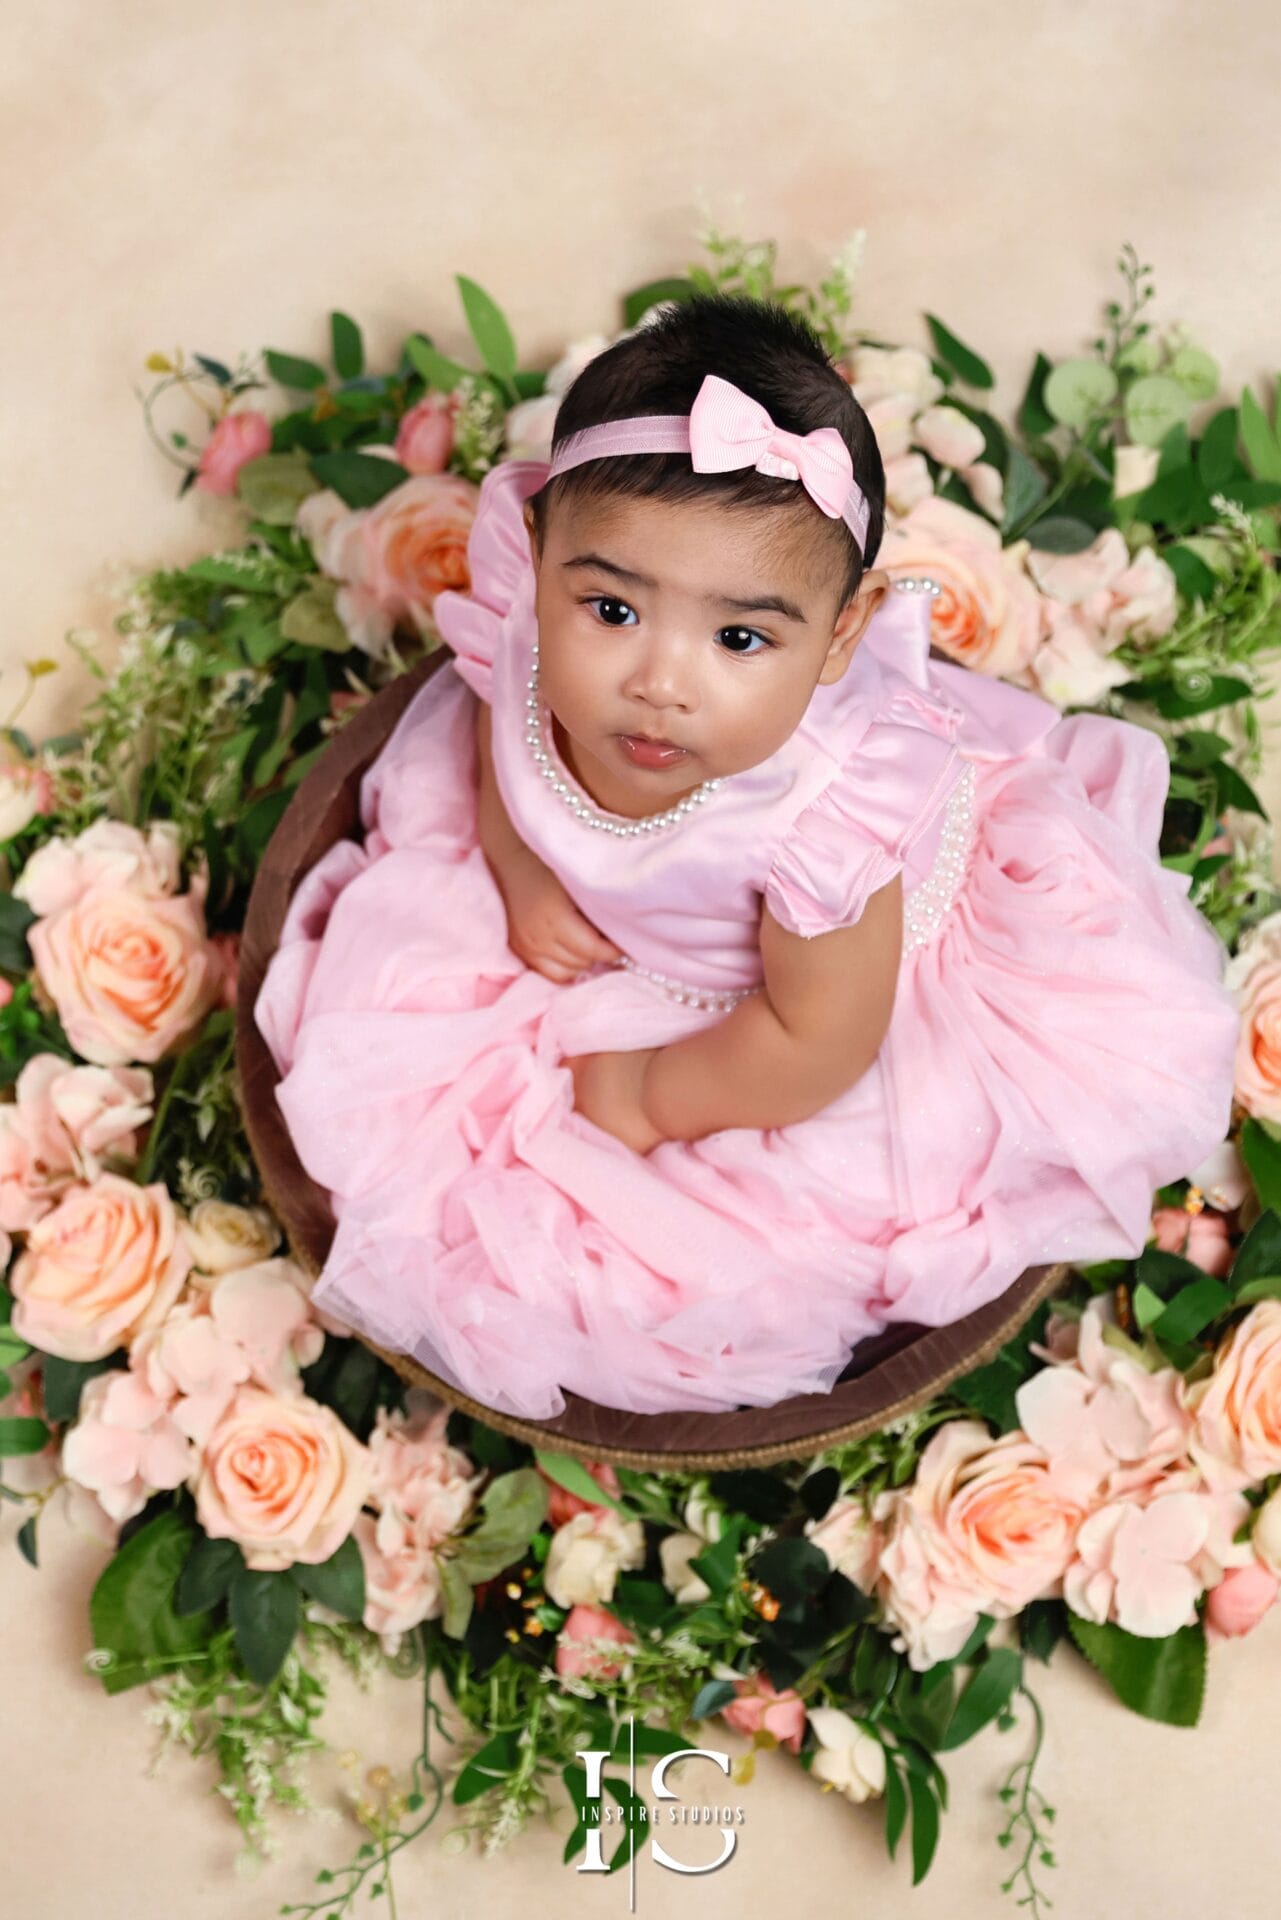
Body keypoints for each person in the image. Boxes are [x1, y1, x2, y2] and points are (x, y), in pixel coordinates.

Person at [253, 292, 1240, 1422]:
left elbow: (820, 1044)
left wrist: (648, 1095)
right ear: (538, 553)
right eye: (613, 608)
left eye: (738, 638)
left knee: (767, 1228)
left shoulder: (822, 819)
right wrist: (520, 868)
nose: (659, 682)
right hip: (636, 925)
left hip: (813, 1004)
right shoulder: (531, 626)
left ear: (843, 632)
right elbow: (497, 719)